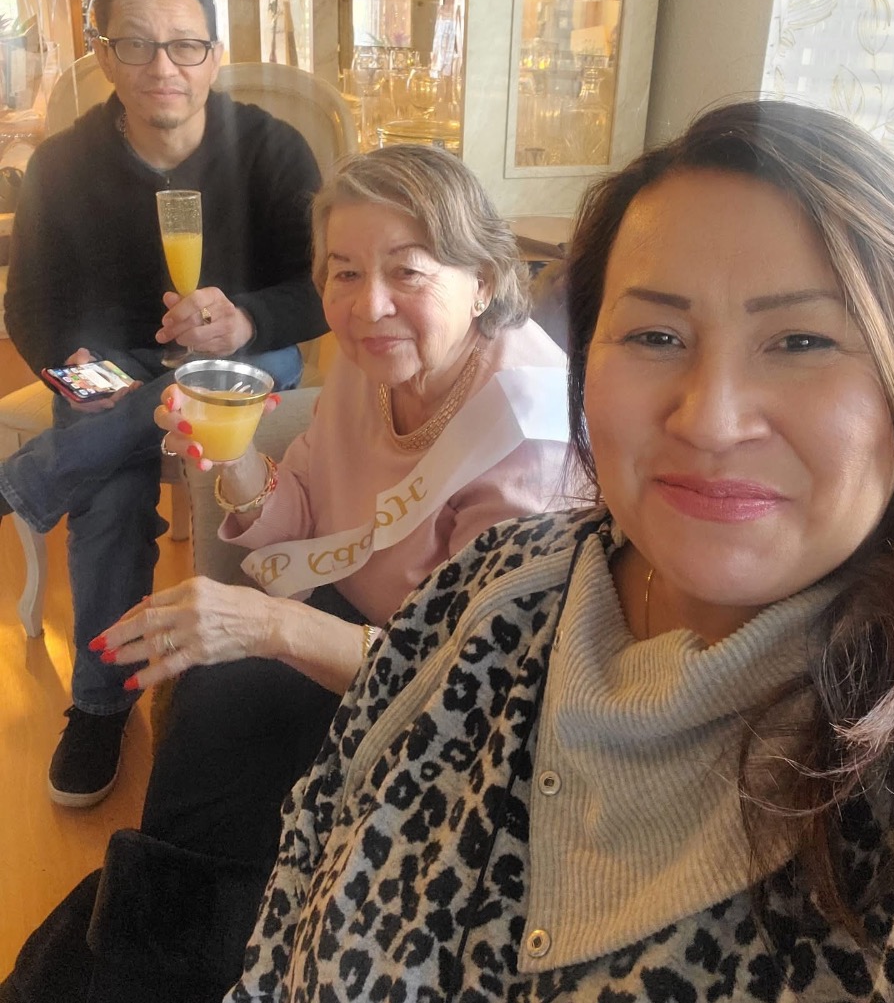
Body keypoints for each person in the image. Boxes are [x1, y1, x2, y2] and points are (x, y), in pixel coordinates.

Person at [224, 99, 894, 1002]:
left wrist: (271, 626)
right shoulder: (502, 579)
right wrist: (231, 462)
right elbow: (320, 833)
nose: (711, 420)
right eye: (655, 335)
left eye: (802, 340)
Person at [0, 143, 573, 1003]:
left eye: (407, 270)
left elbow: (473, 684)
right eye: (344, 271)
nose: (368, 304)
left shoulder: (528, 439)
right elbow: (301, 502)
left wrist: (269, 625)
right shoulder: (373, 362)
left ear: (484, 280)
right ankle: (146, 958)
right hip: (341, 627)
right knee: (209, 706)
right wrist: (231, 458)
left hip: (444, 715)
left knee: (232, 754)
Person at [0, 0, 326, 808]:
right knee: (109, 494)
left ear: (215, 54)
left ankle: (27, 481)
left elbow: (326, 285)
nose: (163, 67)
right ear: (103, 55)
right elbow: (29, 303)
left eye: (186, 45)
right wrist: (73, 369)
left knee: (198, 395)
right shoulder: (62, 165)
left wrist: (246, 316)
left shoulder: (271, 151)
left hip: (248, 356)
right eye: (136, 44)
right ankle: (100, 704)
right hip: (115, 369)